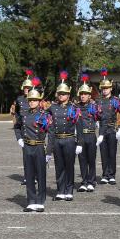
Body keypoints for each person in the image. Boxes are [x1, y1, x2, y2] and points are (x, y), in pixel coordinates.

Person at [14, 78, 52, 212]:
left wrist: (49, 152)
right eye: (30, 100)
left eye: (34, 100)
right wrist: (19, 139)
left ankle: (40, 200)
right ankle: (30, 200)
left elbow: (51, 134)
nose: (32, 102)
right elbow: (17, 127)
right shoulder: (24, 115)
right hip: (27, 147)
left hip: (39, 147)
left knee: (41, 174)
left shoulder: (45, 115)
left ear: (40, 101)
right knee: (28, 174)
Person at [48, 71, 79, 201]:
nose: (61, 95)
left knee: (69, 166)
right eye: (60, 93)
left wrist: (80, 143)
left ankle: (69, 190)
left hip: (70, 139)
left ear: (68, 94)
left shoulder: (74, 107)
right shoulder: (52, 108)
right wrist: (48, 149)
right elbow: (49, 128)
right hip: (57, 140)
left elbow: (80, 127)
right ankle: (60, 190)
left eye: (64, 94)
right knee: (59, 166)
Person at [97, 69, 120, 184]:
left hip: (112, 129)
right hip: (102, 130)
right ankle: (105, 174)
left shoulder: (115, 101)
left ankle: (112, 175)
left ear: (111, 88)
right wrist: (96, 121)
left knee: (112, 153)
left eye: (107, 88)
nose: (105, 90)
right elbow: (94, 115)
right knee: (103, 153)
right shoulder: (98, 101)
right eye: (103, 88)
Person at [75, 74, 100, 192]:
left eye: (85, 94)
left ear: (89, 95)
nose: (83, 96)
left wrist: (102, 133)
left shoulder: (94, 106)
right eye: (81, 94)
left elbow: (102, 118)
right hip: (80, 136)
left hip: (91, 135)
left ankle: (91, 181)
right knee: (82, 159)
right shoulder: (75, 107)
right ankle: (84, 181)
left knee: (91, 159)